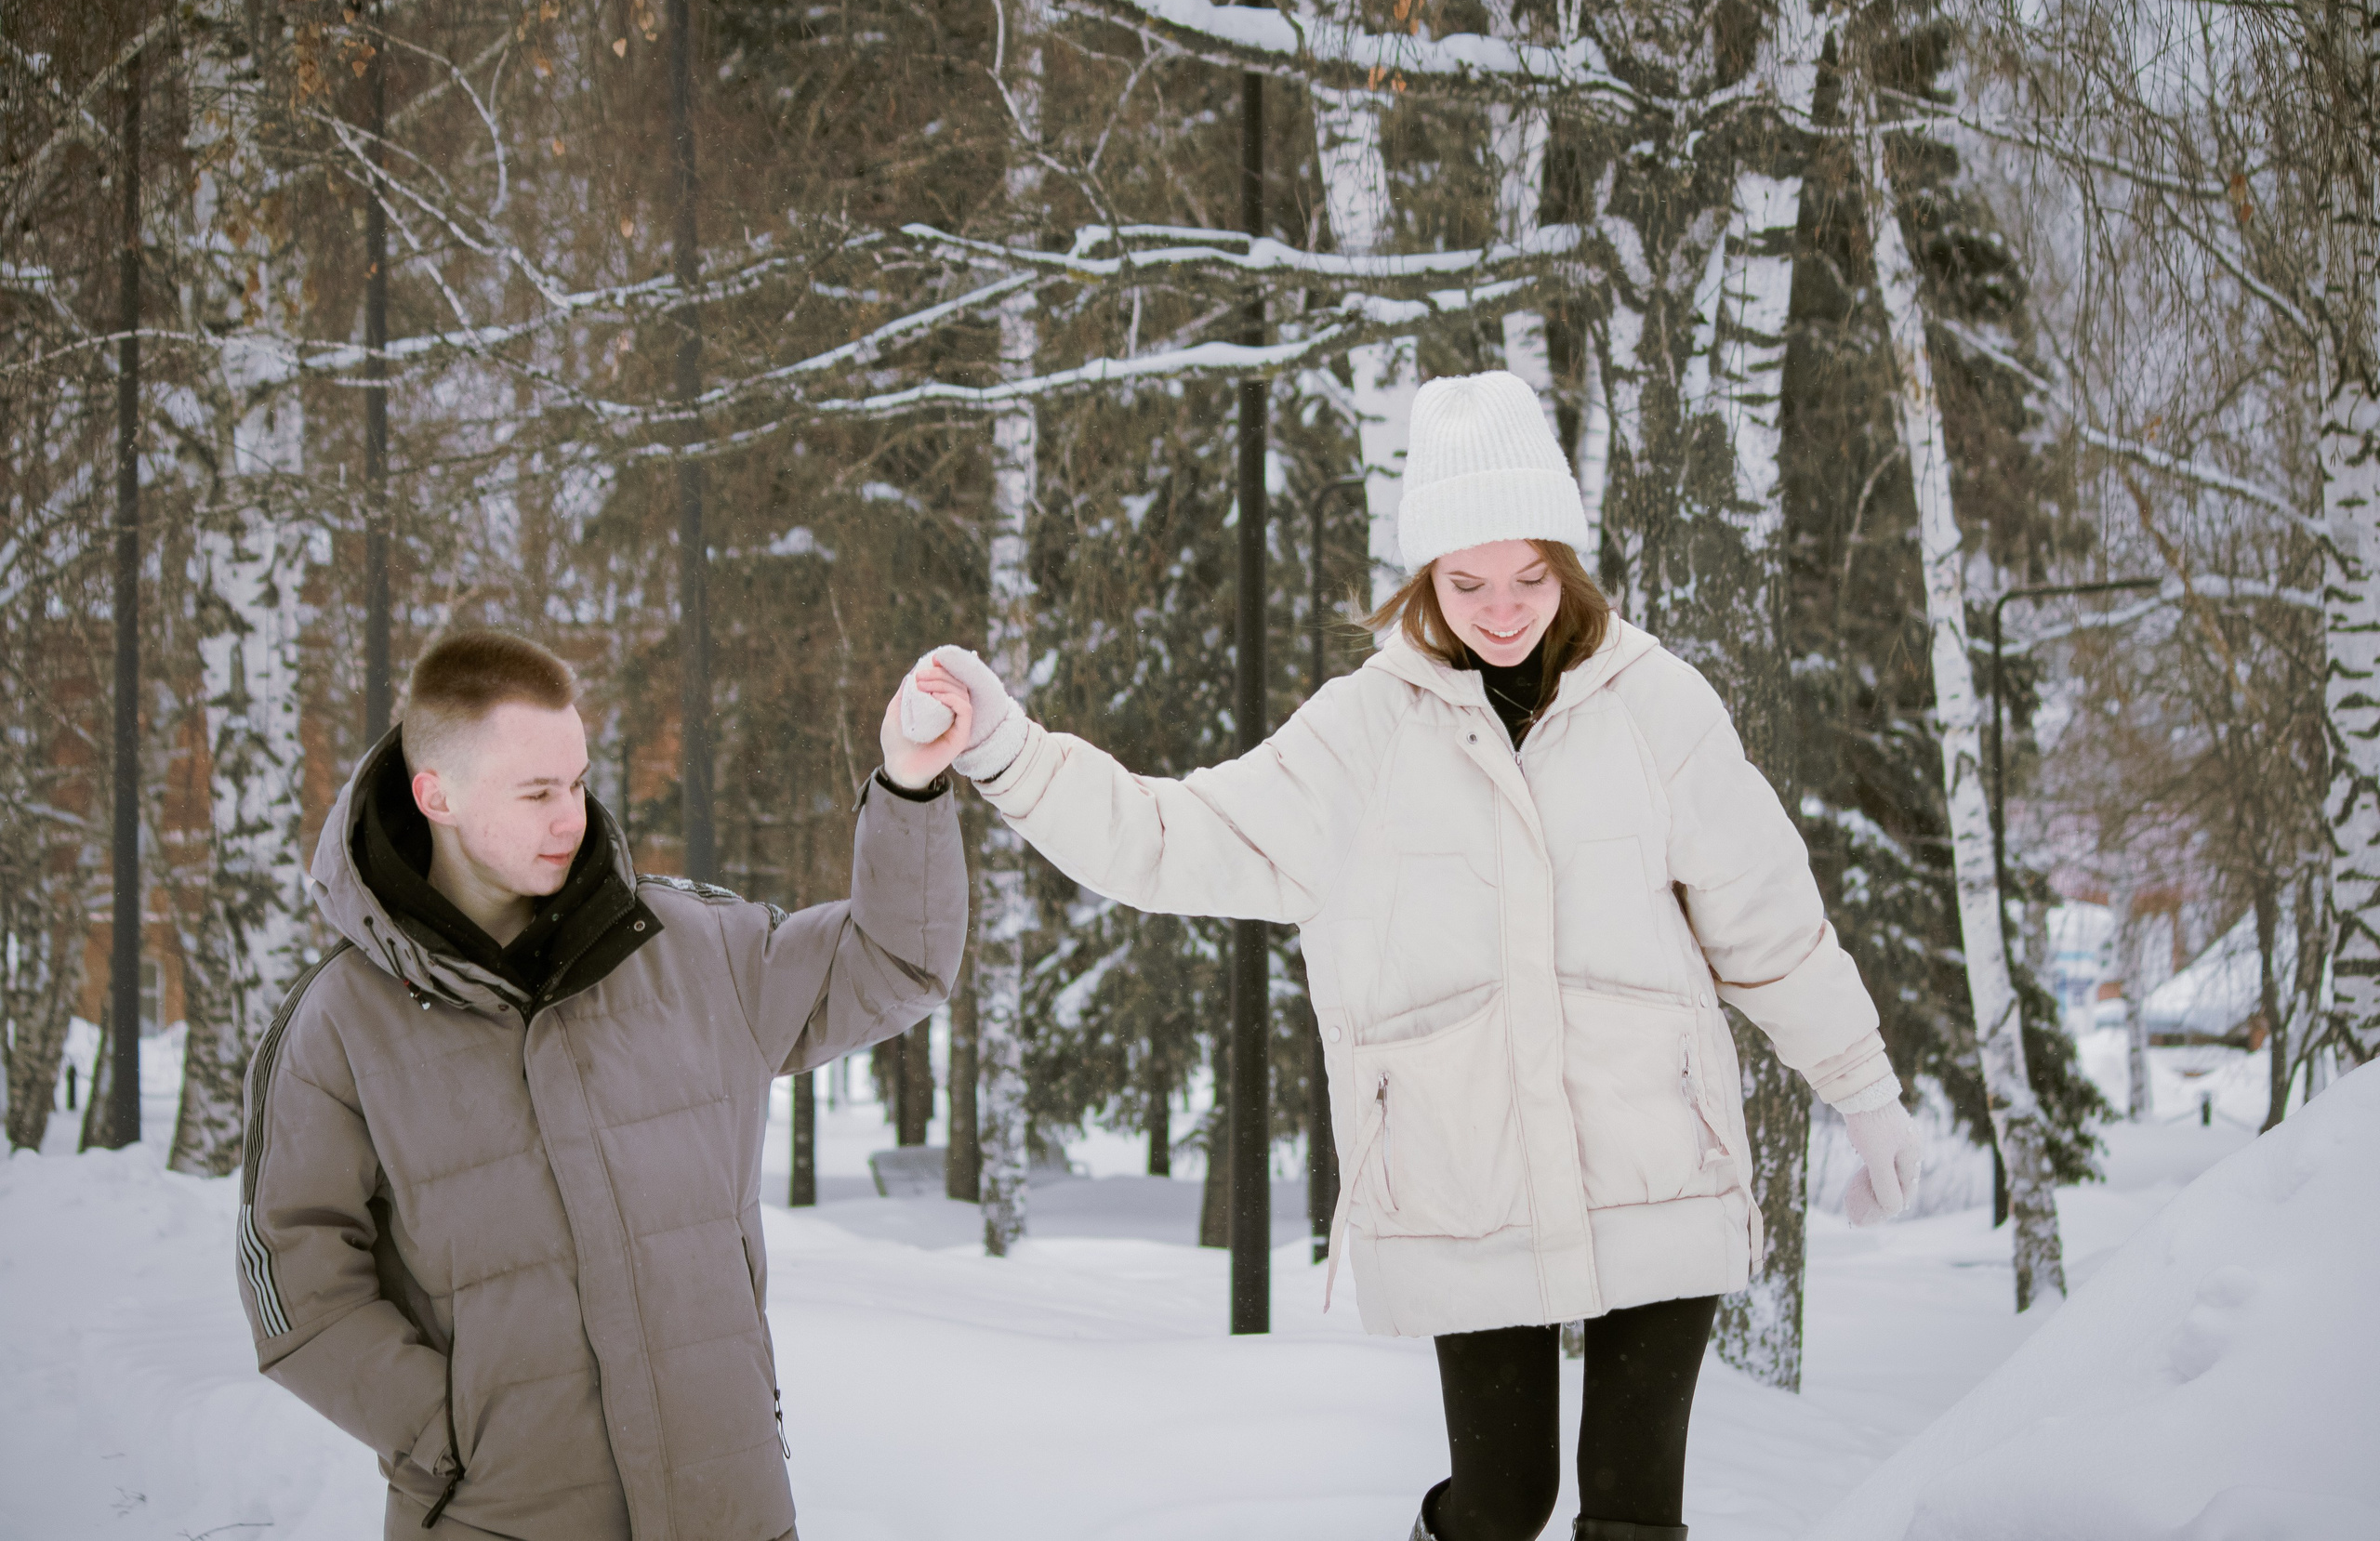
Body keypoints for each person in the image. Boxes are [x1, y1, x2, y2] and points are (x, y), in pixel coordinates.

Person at [896, 371, 1924, 1541]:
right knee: (1502, 1503)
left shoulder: (1660, 709)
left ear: (1567, 561)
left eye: (1530, 576)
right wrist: (1009, 751)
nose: (1502, 609)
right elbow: (1172, 838)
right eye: (1466, 580)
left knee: (1636, 1509)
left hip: (1658, 1159)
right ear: (1422, 578)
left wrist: (1868, 1096)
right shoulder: (1363, 733)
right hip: (1461, 1176)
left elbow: (1770, 925)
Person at [235, 630, 973, 1540]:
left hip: (729, 1509)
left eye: (577, 782)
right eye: (537, 792)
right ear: (439, 796)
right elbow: (294, 1272)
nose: (570, 818)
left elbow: (897, 963)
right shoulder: (339, 1023)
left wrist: (909, 787)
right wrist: (448, 1432)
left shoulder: (694, 949)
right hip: (500, 1516)